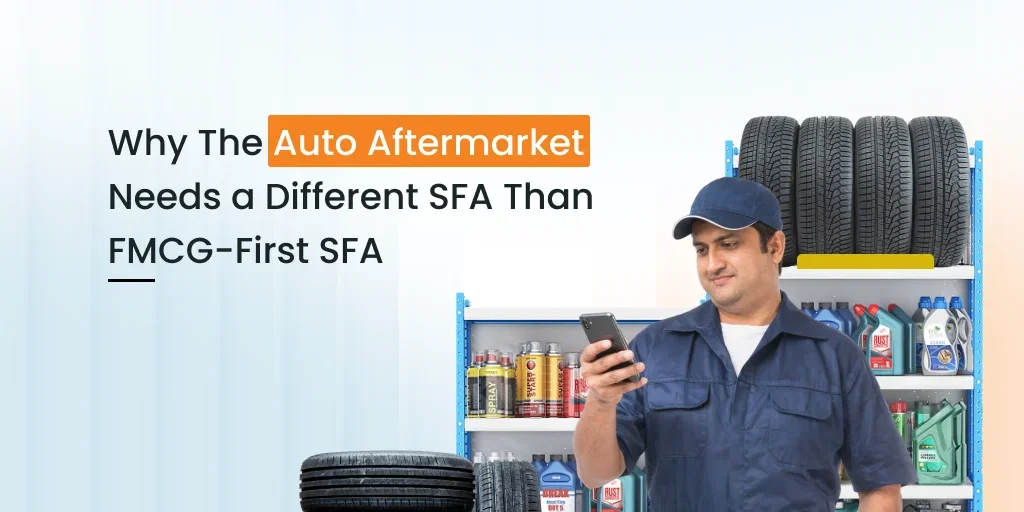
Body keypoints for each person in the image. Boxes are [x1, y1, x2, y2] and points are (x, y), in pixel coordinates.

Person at [572, 177, 916, 511]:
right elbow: (595, 474)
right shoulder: (654, 349)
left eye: (729, 244)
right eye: (702, 249)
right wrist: (601, 402)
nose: (712, 264)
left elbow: (882, 487)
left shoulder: (836, 356)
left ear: (775, 247)